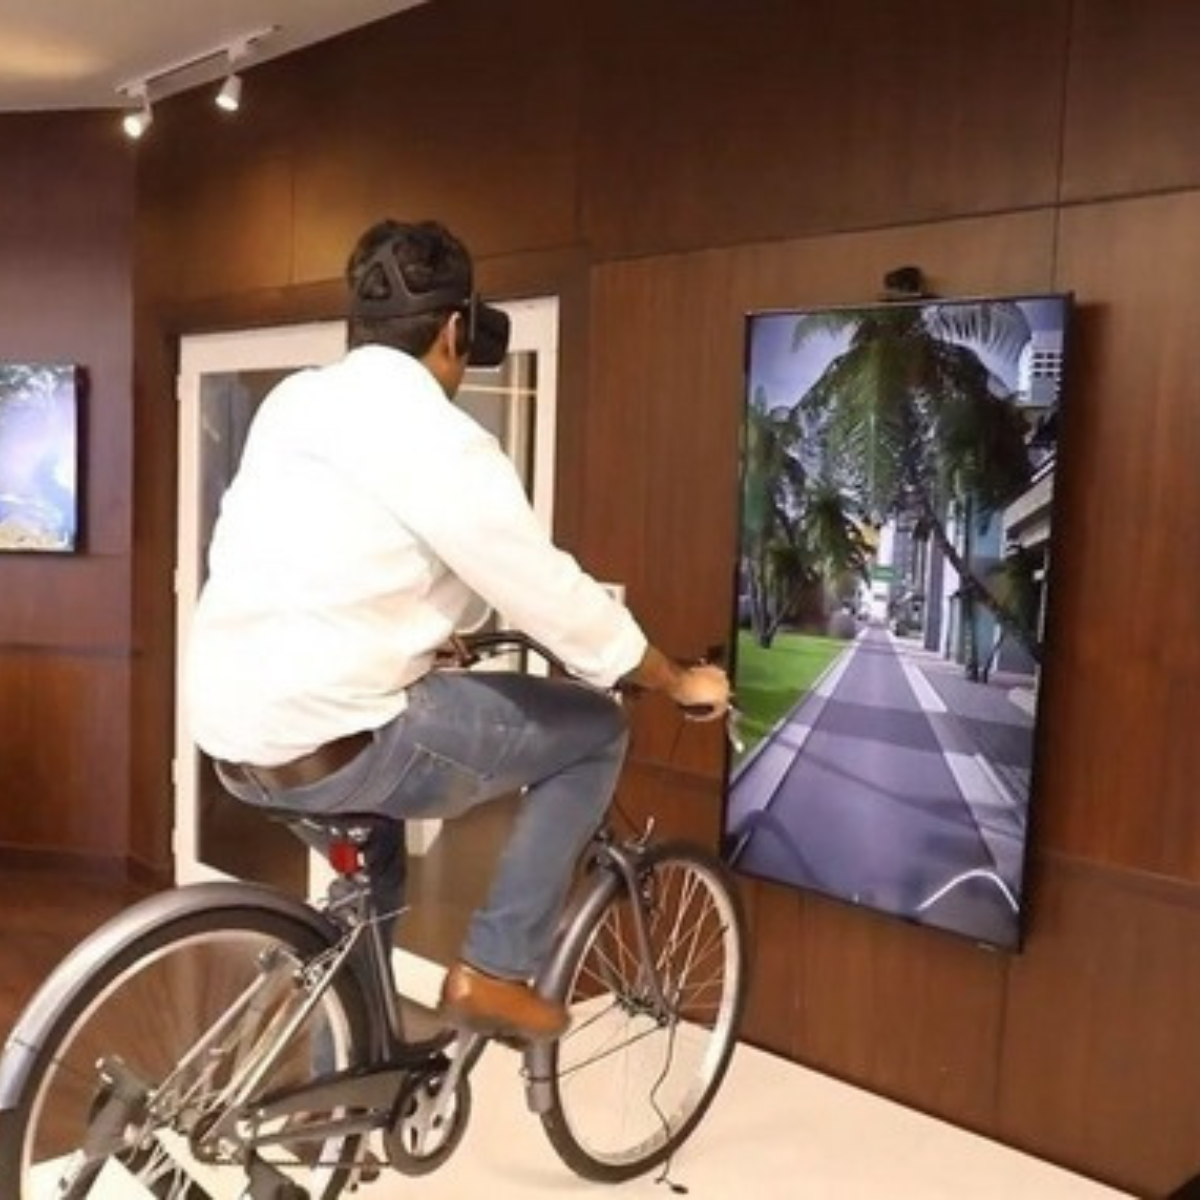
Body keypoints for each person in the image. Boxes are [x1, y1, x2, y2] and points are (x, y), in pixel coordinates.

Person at [185, 218, 729, 1043]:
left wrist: (413, 632)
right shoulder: (444, 439)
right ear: (455, 331)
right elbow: (547, 591)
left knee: (373, 884)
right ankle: (496, 969)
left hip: (232, 738)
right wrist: (674, 676)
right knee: (594, 731)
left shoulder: (295, 402)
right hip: (339, 738)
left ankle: (344, 1088)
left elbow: (315, 557)